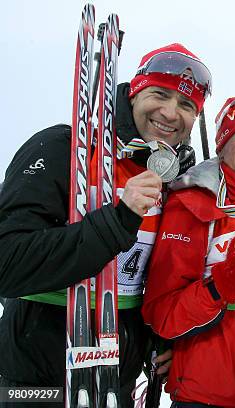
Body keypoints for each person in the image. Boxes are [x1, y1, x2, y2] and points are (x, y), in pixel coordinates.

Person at [0, 43, 211, 407]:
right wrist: (118, 220)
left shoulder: (174, 181)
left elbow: (146, 279)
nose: (170, 112)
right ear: (134, 91)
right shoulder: (61, 148)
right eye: (159, 94)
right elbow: (7, 262)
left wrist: (160, 340)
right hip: (35, 384)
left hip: (117, 382)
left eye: (186, 105)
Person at [142, 95, 235, 407]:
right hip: (204, 392)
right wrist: (221, 286)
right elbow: (162, 314)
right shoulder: (193, 205)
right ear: (223, 146)